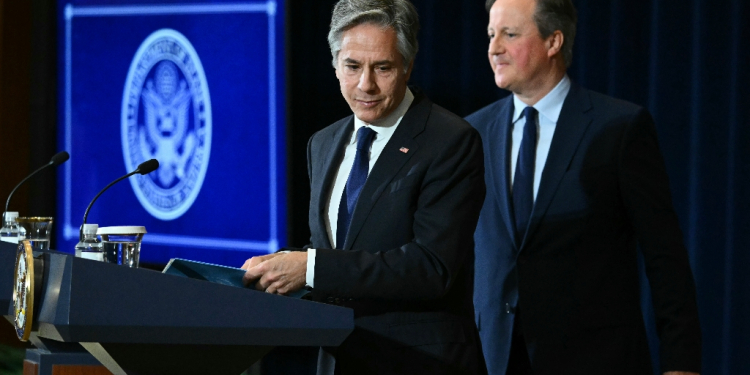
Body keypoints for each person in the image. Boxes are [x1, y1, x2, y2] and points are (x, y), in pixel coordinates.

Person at [241, 0, 486, 374]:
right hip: (338, 358)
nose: (365, 84)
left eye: (382, 68)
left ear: (407, 65)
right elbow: (338, 248)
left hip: (418, 361)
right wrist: (280, 267)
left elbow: (431, 267)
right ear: (335, 65)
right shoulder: (323, 142)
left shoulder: (450, 140)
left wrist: (309, 268)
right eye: (352, 66)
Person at [466, 0, 702, 374]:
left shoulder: (619, 128)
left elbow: (665, 258)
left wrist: (682, 364)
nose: (494, 48)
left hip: (595, 358)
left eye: (510, 35)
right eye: (492, 34)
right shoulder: (471, 133)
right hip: (494, 359)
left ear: (554, 41)